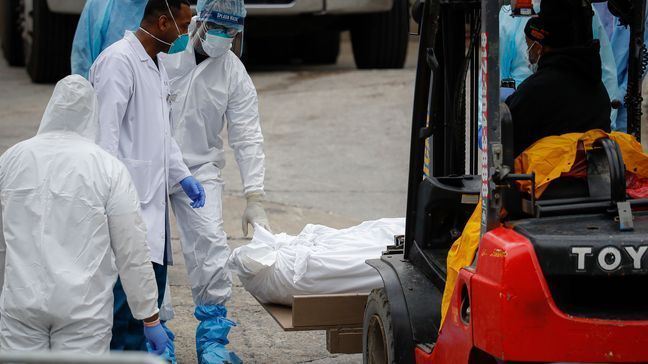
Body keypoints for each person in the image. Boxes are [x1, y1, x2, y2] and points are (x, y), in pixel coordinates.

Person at [0, 75, 167, 354]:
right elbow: (132, 250)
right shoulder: (108, 169)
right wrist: (149, 315)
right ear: (92, 114)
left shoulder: (12, 159)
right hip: (83, 313)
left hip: (21, 307)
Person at [89, 0, 206, 352]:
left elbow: (162, 134)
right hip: (125, 205)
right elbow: (103, 140)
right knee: (125, 308)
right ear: (161, 22)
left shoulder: (156, 65)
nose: (186, 34)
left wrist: (182, 175)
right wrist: (108, 205)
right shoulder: (117, 62)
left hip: (151, 204)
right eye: (183, 26)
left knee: (146, 300)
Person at [159, 0, 269, 362]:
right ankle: (154, 335)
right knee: (147, 253)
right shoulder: (165, 52)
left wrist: (255, 195)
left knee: (210, 247)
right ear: (198, 21)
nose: (223, 38)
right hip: (151, 166)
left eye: (231, 32)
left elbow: (247, 134)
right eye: (217, 28)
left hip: (199, 169)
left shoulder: (232, 72)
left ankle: (213, 340)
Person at [505, 0, 612, 155]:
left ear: (543, 42)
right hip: (593, 178)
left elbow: (506, 147)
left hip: (542, 178)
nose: (530, 53)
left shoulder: (534, 93)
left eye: (531, 46)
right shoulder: (600, 94)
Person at [71, 0, 148, 79]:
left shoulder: (157, 7)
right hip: (102, 83)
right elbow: (83, 56)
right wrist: (84, 88)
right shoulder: (99, 4)